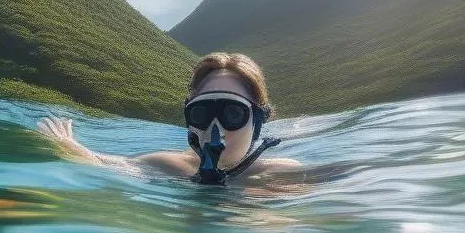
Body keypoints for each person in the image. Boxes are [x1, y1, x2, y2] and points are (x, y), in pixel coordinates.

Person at [36, 52, 302, 186]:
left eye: (232, 113)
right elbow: (99, 163)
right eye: (203, 113)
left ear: (257, 120)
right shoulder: (168, 166)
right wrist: (66, 145)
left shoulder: (281, 174)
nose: (215, 128)